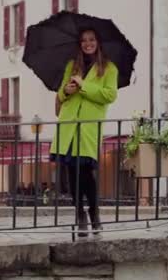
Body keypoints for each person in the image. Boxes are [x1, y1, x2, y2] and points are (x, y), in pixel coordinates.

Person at [49, 28, 118, 237]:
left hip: (88, 128)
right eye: (84, 40)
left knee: (87, 175)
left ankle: (94, 213)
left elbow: (109, 95)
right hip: (68, 126)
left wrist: (83, 85)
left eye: (91, 40)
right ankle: (80, 216)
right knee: (71, 175)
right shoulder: (72, 65)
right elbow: (61, 93)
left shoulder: (108, 68)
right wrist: (66, 91)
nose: (87, 43)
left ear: (98, 42)